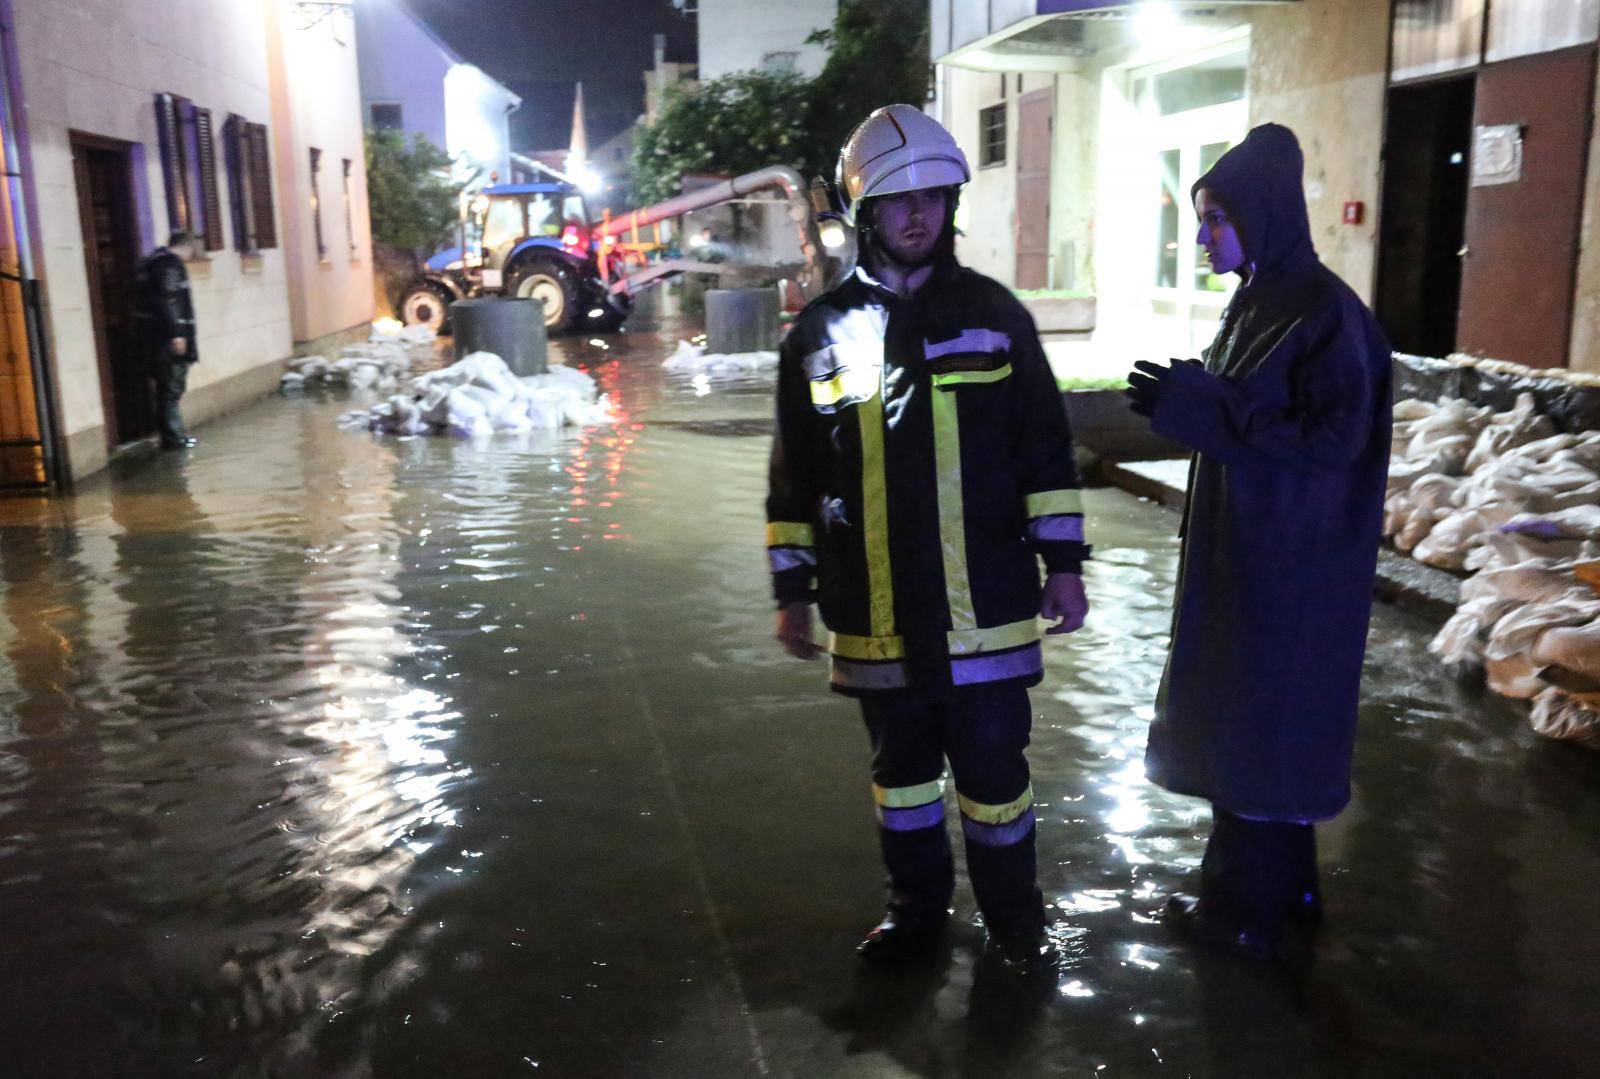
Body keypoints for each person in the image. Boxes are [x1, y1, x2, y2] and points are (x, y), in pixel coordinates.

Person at [765, 105, 1091, 972]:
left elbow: (1045, 448)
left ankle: (1016, 922)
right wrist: (791, 591)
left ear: (953, 205)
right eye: (900, 201)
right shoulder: (820, 332)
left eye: (936, 198)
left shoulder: (994, 316)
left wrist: (1064, 565)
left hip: (985, 608)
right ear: (865, 213)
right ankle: (915, 917)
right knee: (902, 783)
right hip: (875, 615)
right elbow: (794, 474)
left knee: (996, 780)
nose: (920, 216)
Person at [1125, 123, 1393, 959]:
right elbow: (1256, 416)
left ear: (1264, 214)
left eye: (1215, 219)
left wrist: (1211, 408)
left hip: (1293, 566)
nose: (1204, 236)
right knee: (1256, 726)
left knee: (1262, 725)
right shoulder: (1261, 301)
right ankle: (1289, 891)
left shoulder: (1325, 314)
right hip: (1251, 553)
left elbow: (1331, 438)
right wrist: (1201, 398)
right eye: (1203, 219)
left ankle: (1238, 912)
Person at [133, 231, 202, 450]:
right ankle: (174, 439)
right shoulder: (170, 265)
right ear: (188, 247)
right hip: (166, 341)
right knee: (171, 389)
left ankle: (172, 436)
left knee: (165, 389)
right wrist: (177, 333)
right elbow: (167, 299)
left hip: (153, 338)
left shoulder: (152, 262)